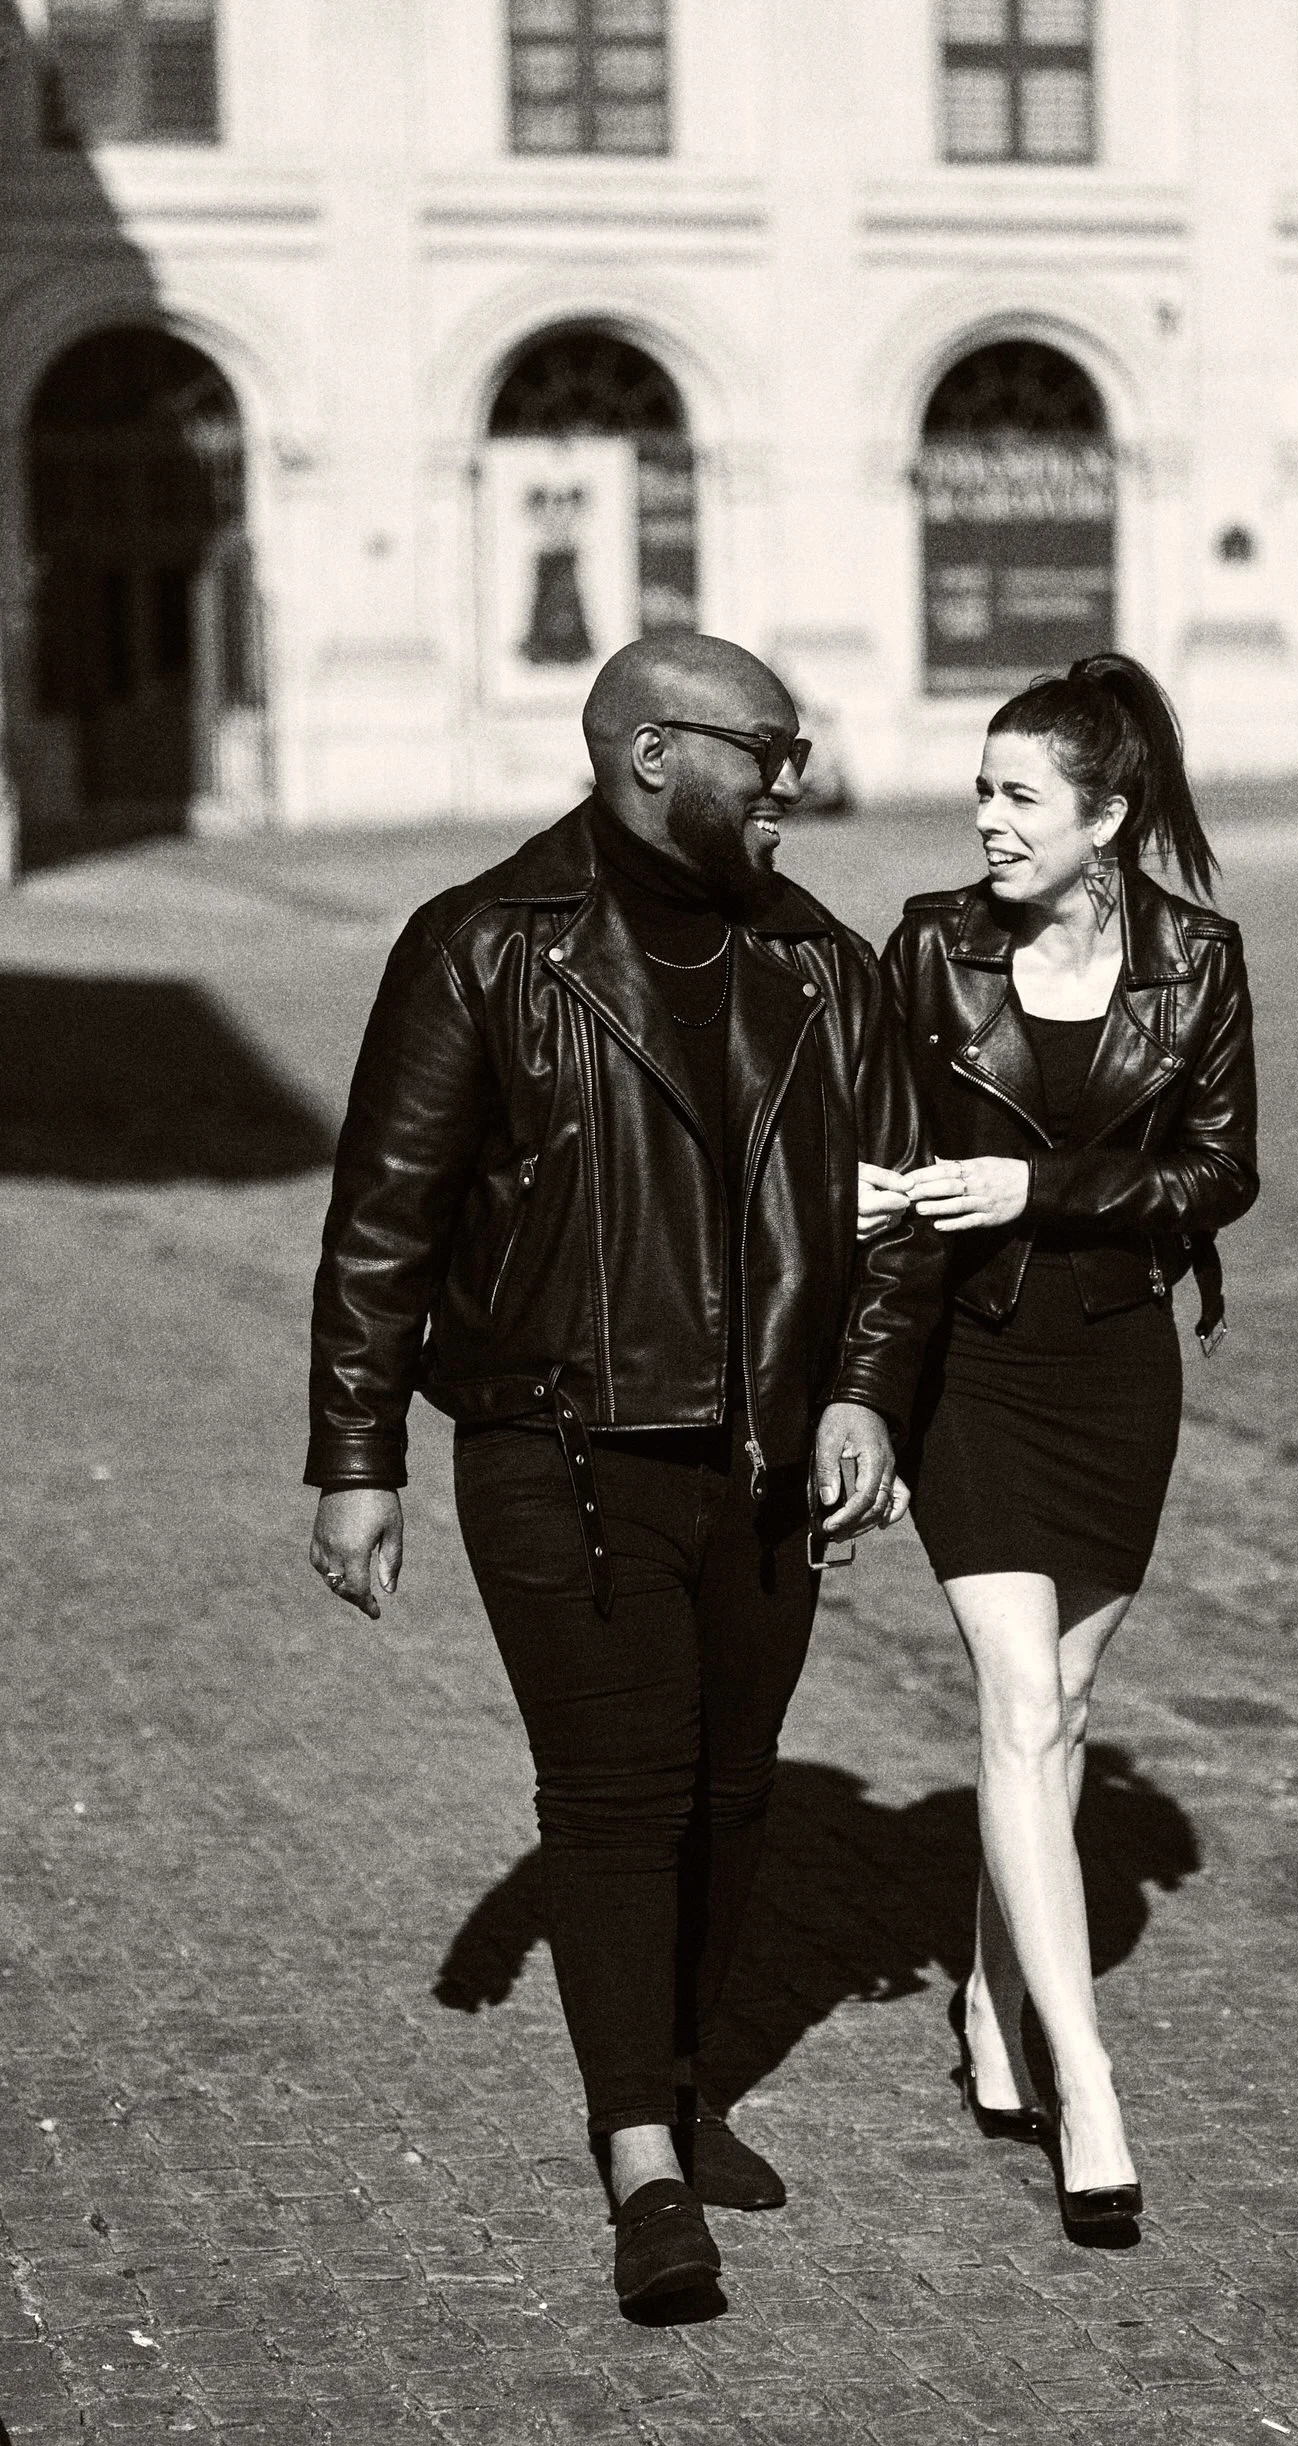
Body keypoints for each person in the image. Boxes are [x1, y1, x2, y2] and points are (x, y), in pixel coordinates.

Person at [305, 633, 937, 2319]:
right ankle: (639, 2162)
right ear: (653, 753)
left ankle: (680, 2081)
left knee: (735, 1791)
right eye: (768, 750)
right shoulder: (481, 947)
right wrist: (358, 1462)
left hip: (768, 1467)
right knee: (616, 1798)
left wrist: (864, 1398)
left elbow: (891, 1215)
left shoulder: (819, 962)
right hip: (559, 1452)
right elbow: (384, 1223)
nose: (792, 782)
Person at [864, 653, 1258, 2243]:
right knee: (1020, 1699)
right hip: (972, 1367)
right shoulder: (928, 947)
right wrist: (862, 1394)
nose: (986, 822)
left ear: (1107, 816)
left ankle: (983, 1995)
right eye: (981, 789)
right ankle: (1080, 2077)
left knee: (1066, 1704)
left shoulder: (1197, 960)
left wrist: (1047, 1189)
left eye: (1019, 796)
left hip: (1113, 1373)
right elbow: (882, 1171)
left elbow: (1220, 1174)